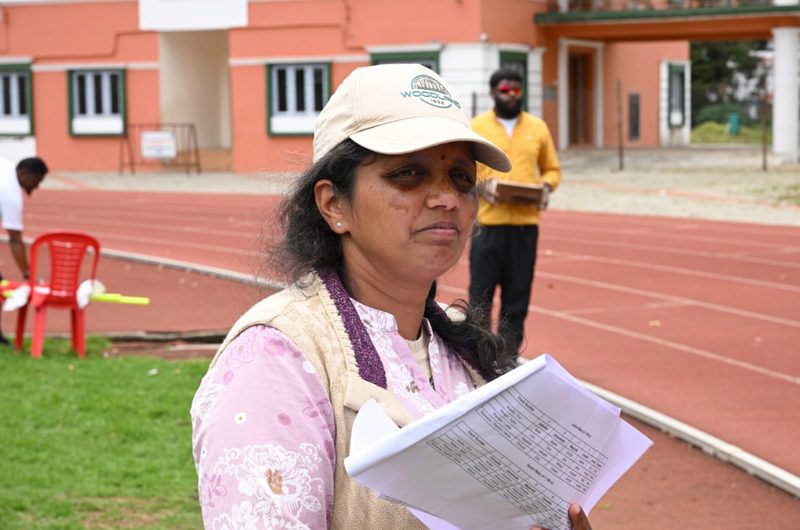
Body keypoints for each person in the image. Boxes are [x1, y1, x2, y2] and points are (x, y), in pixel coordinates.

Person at [191, 64, 591, 530]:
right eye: (408, 174)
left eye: (461, 178)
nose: (446, 198)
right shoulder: (277, 358)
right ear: (333, 204)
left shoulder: (458, 347)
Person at [468, 67, 561, 359]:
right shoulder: (475, 127)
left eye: (517, 90)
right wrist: (482, 186)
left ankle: (507, 359)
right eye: (506, 90)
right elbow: (461, 171)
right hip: (487, 227)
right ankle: (478, 357)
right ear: (494, 92)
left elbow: (552, 169)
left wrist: (546, 186)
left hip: (524, 228)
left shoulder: (538, 127)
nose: (512, 95)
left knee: (517, 298)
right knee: (480, 296)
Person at [0, 156, 48, 345]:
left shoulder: (5, 166)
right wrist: (28, 273)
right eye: (35, 181)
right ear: (23, 173)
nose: (36, 187)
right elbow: (15, 240)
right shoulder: (11, 193)